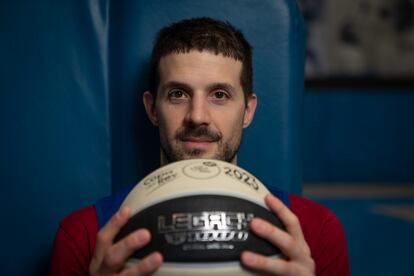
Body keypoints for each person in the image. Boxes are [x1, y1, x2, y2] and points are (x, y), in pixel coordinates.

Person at [50, 17, 349, 275]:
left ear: (248, 111)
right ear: (152, 108)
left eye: (219, 95)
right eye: (178, 94)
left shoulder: (315, 232)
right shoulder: (85, 235)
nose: (197, 116)